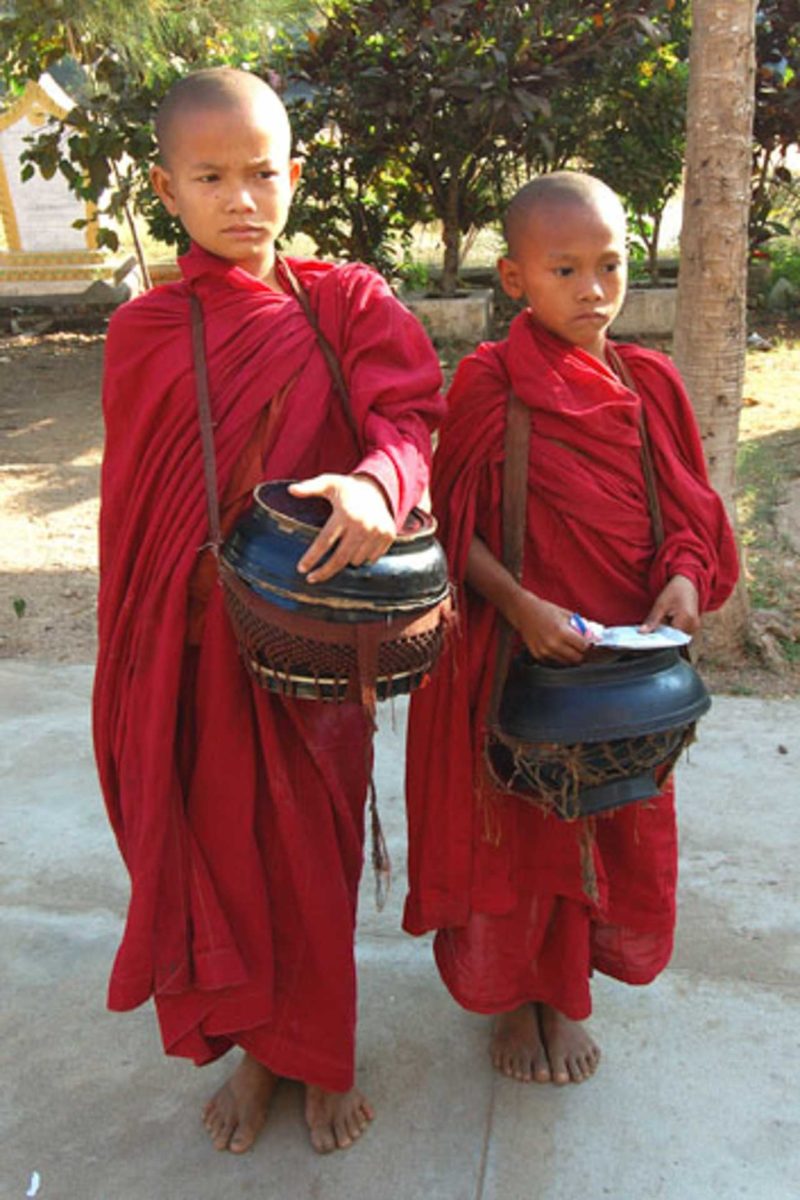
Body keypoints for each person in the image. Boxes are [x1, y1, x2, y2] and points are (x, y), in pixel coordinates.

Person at [93, 67, 444, 1155]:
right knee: (219, 858)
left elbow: (411, 415)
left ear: (294, 174)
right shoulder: (145, 331)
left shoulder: (345, 303)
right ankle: (256, 1053)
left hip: (311, 640)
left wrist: (378, 483)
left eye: (260, 173)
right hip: (193, 645)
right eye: (210, 176)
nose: (240, 197)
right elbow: (134, 514)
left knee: (310, 854)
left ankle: (321, 1057)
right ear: (167, 188)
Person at [403, 172, 739, 1087]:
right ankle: (519, 997)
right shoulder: (486, 386)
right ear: (514, 278)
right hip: (518, 656)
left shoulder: (650, 381)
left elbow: (690, 512)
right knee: (518, 830)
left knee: (610, 823)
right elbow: (446, 526)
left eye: (610, 265)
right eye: (565, 270)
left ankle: (565, 993)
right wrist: (515, 603)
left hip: (620, 673)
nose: (594, 290)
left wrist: (682, 577)